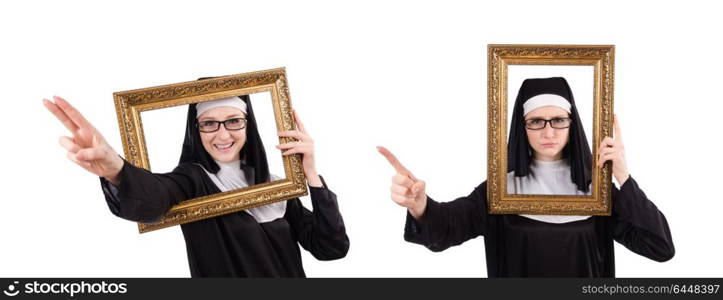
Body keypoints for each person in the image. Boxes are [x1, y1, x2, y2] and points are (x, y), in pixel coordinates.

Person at [378, 77, 674, 277]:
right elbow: (444, 230)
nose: (548, 131)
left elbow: (660, 248)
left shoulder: (597, 191)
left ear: (572, 124)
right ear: (523, 127)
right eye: (535, 121)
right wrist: (419, 206)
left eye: (558, 120)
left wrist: (623, 176)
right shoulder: (500, 190)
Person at [44, 94, 349, 277]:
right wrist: (116, 169)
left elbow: (331, 249)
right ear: (197, 130)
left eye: (233, 121)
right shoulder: (193, 179)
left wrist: (310, 173)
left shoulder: (271, 185)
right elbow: (152, 200)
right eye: (209, 123)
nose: (222, 134)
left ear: (248, 125)